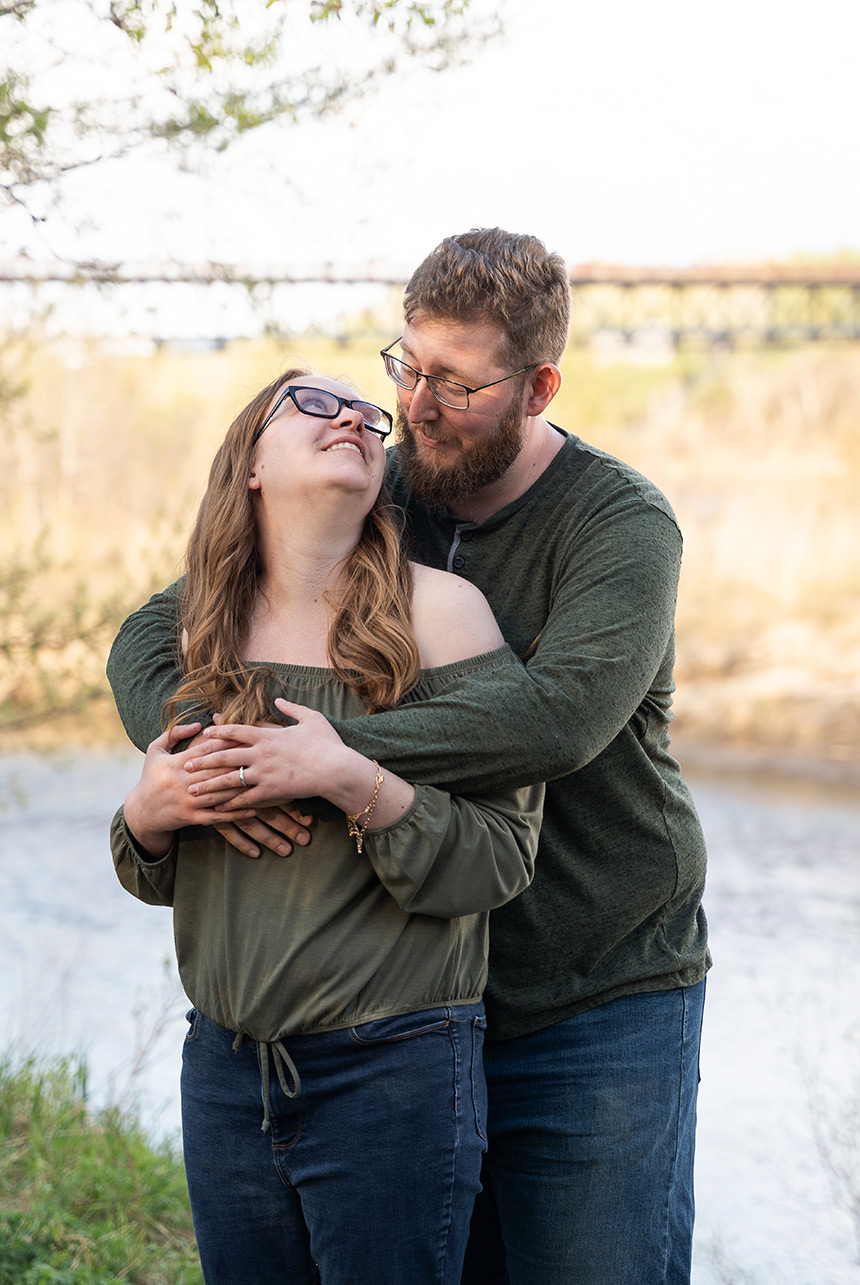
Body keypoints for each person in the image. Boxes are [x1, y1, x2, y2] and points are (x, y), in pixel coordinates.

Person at [108, 228, 711, 1285]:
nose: (416, 407)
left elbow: (554, 722)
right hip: (408, 1007)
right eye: (407, 368)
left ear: (537, 387)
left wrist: (320, 755)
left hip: (591, 989)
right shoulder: (371, 483)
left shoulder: (619, 524)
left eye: (457, 385)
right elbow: (154, 636)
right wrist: (214, 757)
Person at [108, 367, 543, 1285]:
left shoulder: (443, 613)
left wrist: (349, 779)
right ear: (251, 464)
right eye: (311, 401)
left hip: (397, 1076)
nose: (352, 414)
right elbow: (164, 869)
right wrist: (146, 818)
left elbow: (503, 858)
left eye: (367, 413)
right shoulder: (195, 634)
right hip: (226, 1074)